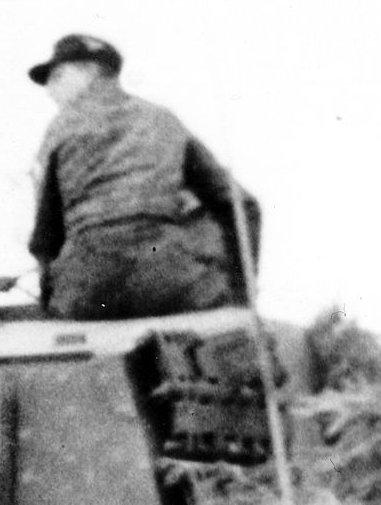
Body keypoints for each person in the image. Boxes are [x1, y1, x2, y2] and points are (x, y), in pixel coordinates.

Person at [26, 33, 258, 321]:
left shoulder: (60, 128)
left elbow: (45, 239)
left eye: (57, 76)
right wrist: (241, 295)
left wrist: (52, 304)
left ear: (89, 72)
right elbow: (243, 205)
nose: (50, 89)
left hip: (88, 290)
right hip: (168, 279)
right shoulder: (161, 118)